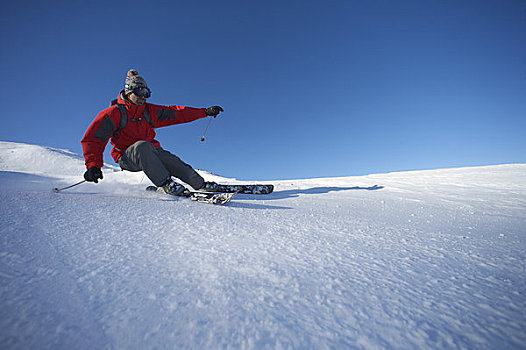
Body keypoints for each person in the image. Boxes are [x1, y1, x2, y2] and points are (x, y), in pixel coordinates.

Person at [81, 69, 223, 195]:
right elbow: (94, 139)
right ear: (129, 91)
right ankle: (166, 184)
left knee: (171, 160)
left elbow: (177, 113)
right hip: (127, 157)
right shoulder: (113, 113)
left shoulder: (149, 111)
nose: (144, 97)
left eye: (147, 93)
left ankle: (200, 185)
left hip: (151, 152)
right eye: (140, 92)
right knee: (143, 146)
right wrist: (93, 165)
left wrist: (204, 112)